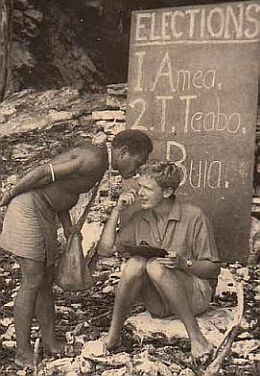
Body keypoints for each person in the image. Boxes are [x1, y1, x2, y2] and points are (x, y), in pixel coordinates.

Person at [0, 129, 153, 368]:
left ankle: (50, 342)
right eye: (138, 162)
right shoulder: (94, 160)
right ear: (123, 152)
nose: (138, 170)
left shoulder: (101, 163)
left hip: (45, 212)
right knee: (32, 280)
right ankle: (22, 352)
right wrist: (8, 196)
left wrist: (69, 228)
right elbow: (42, 173)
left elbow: (60, 191)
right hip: (27, 209)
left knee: (45, 279)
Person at [97, 160, 221, 363]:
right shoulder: (140, 218)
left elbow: (213, 269)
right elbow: (105, 250)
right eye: (140, 187)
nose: (141, 193)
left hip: (194, 296)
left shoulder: (194, 216)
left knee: (155, 266)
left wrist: (184, 264)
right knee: (136, 263)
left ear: (167, 192)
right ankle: (113, 336)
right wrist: (117, 210)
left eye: (147, 188)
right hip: (159, 303)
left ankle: (197, 338)